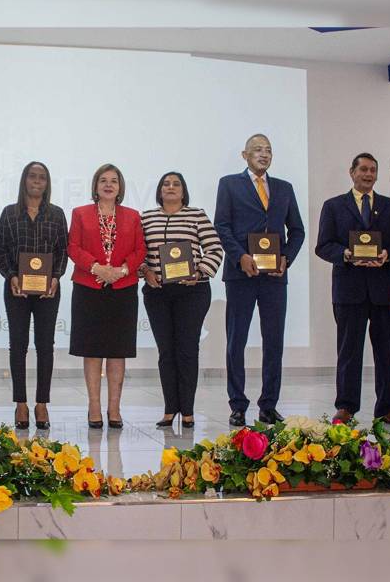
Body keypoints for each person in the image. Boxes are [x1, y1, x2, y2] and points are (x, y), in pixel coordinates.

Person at [214, 134, 305, 426]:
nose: (263, 155)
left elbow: (298, 231)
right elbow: (222, 226)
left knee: (273, 342)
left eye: (268, 151)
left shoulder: (284, 188)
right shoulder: (229, 184)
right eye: (257, 150)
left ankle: (269, 404)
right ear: (244, 155)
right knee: (236, 341)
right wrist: (240, 256)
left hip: (275, 277)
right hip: (241, 274)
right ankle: (238, 405)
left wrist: (286, 258)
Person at [315, 152, 390, 425]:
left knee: (385, 353)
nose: (368, 175)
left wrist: (387, 256)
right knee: (349, 351)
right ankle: (346, 406)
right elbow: (323, 246)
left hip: (384, 291)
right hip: (349, 291)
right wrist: (345, 253)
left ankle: (387, 408)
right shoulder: (333, 206)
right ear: (352, 172)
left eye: (372, 170)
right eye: (363, 170)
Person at [139, 172, 223, 428]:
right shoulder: (146, 218)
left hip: (192, 292)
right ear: (159, 190)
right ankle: (169, 410)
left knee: (187, 350)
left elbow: (215, 248)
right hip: (158, 293)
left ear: (184, 190)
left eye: (176, 184)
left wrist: (199, 272)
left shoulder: (196, 215)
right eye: (166, 184)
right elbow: (137, 252)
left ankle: (187, 410)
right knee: (166, 352)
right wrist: (145, 270)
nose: (171, 187)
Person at [67, 164, 146, 428]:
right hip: (89, 288)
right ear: (96, 186)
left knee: (117, 350)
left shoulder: (133, 216)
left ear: (121, 187)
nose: (109, 184)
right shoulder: (80, 214)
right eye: (103, 180)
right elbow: (73, 247)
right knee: (92, 350)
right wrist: (97, 268)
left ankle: (114, 409)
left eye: (114, 180)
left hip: (122, 290)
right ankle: (94, 407)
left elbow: (140, 250)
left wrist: (121, 270)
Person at [0, 161, 68, 430]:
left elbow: (63, 251)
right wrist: (11, 275)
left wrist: (56, 277)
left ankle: (41, 404)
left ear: (47, 183)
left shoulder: (57, 214)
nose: (37, 181)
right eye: (32, 176)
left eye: (42, 177)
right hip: (16, 288)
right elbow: (0, 250)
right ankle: (20, 404)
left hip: (48, 291)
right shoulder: (8, 213)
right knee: (18, 346)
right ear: (24, 181)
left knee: (45, 346)